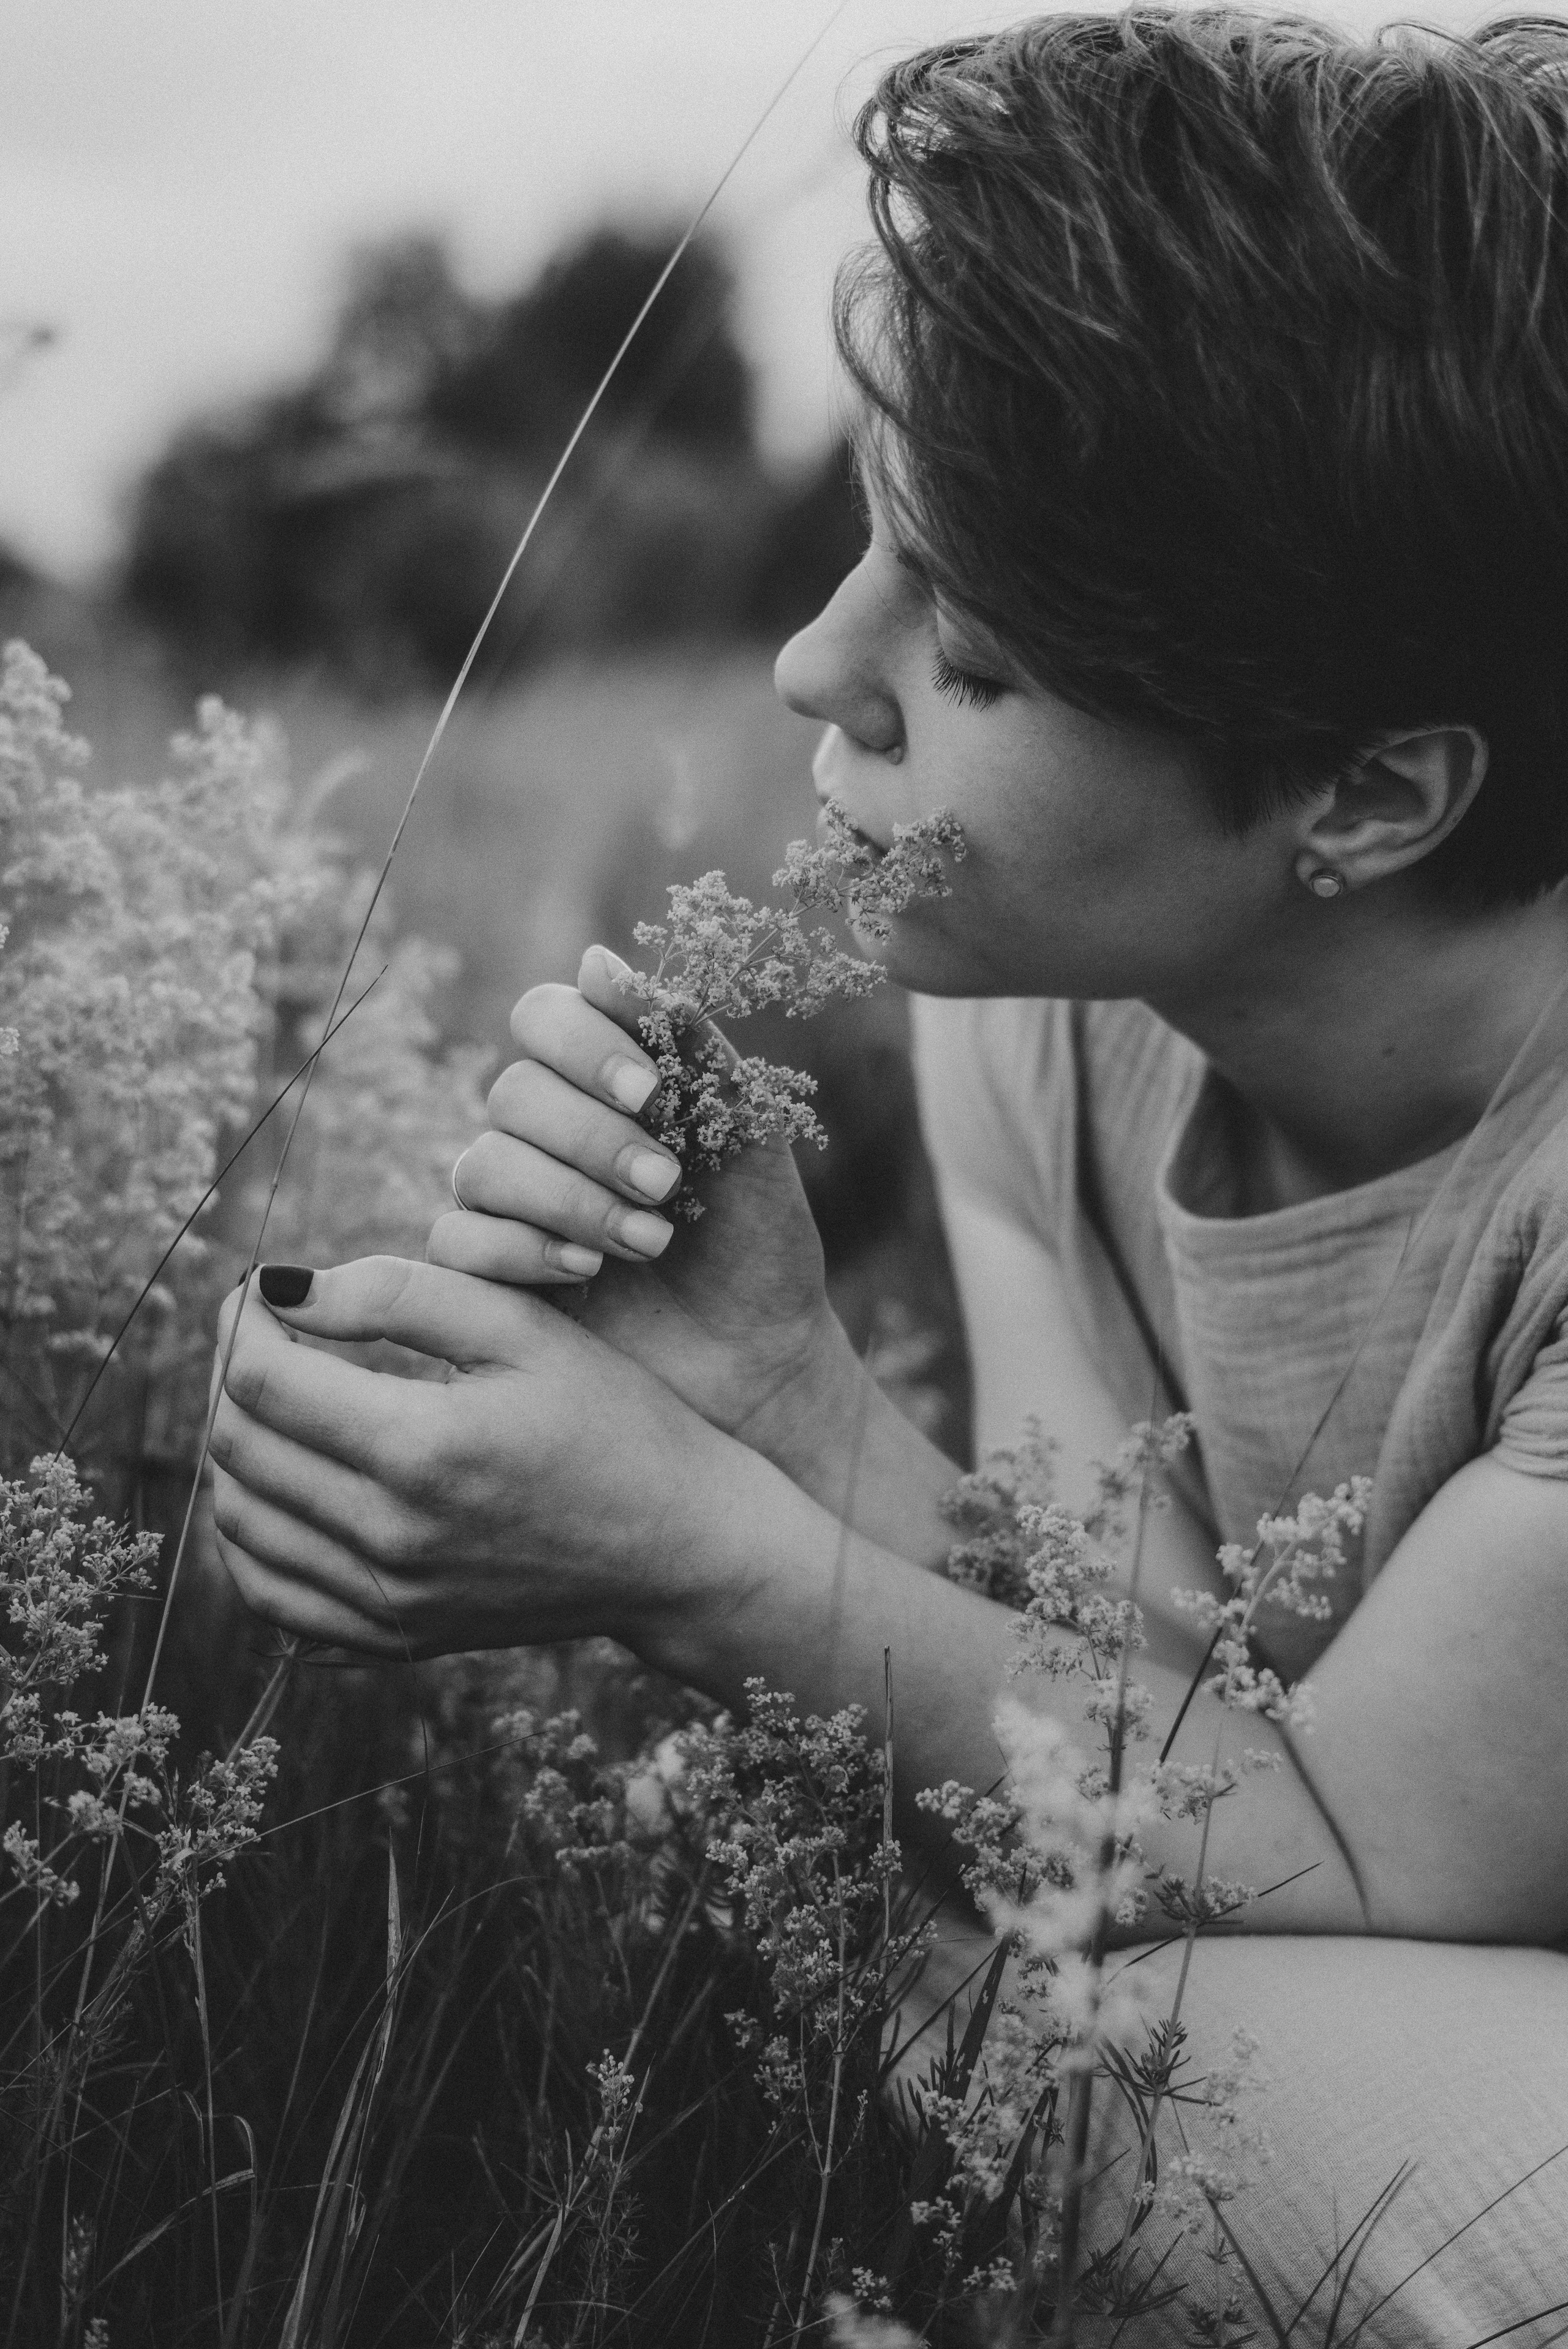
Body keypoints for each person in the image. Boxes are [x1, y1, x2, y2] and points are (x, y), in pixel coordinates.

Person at [209, 11, 1568, 2336]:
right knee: (1027, 1972)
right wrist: (787, 1397)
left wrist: (703, 1558)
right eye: (869, 536)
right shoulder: (1041, 1006)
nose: (813, 659)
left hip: (1468, 1949)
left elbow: (1367, 1846)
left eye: (978, 641)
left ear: (1365, 797)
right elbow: (1121, 1703)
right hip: (1398, 1936)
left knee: (1057, 2022)